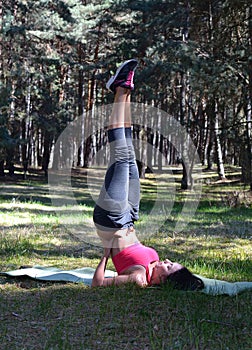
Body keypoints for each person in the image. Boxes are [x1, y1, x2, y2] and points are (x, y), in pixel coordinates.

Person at [91, 59, 203, 290]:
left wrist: (104, 253)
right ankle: (125, 89)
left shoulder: (139, 278)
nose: (168, 261)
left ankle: (121, 89)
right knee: (129, 153)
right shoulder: (153, 264)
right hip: (130, 216)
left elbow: (98, 283)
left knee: (120, 155)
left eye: (170, 266)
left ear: (162, 280)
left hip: (112, 220)